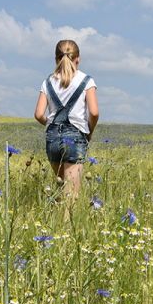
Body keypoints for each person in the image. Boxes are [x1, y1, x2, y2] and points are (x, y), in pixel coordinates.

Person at [34, 39, 99, 197]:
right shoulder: (86, 81)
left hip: (53, 138)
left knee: (60, 189)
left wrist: (51, 125)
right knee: (71, 196)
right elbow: (94, 112)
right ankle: (66, 222)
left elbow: (38, 114)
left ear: (56, 58)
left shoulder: (48, 82)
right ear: (78, 58)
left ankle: (56, 221)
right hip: (75, 137)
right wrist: (89, 132)